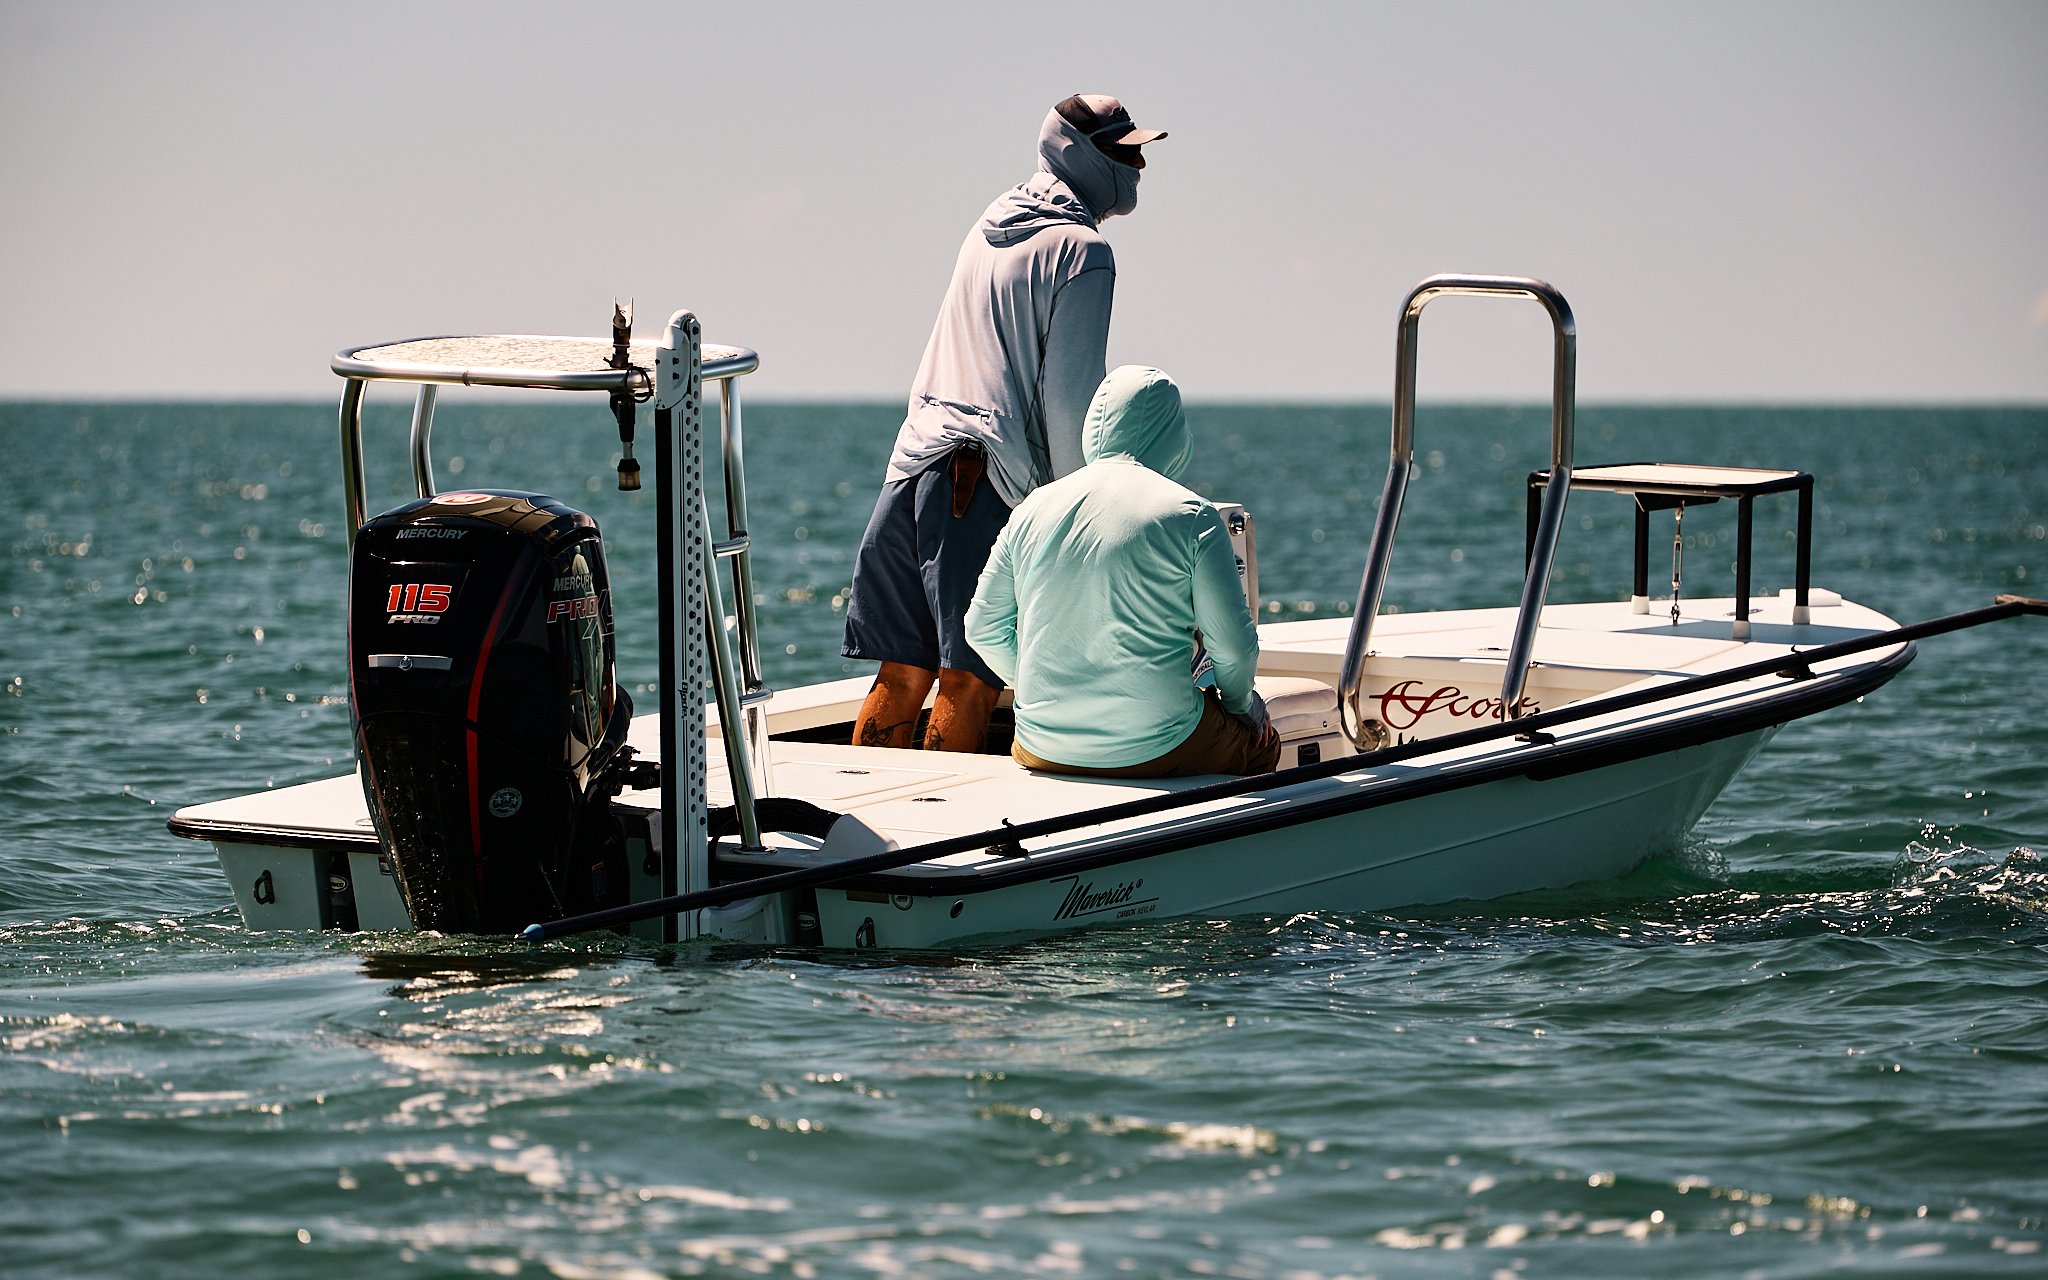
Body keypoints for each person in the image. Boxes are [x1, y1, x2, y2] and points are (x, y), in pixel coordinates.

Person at [842, 94, 1167, 752]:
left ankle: (864, 833)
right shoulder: (1083, 250)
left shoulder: (990, 222)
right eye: (1122, 150)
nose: (1137, 163)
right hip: (980, 478)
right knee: (972, 677)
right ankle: (937, 841)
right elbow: (1070, 397)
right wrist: (1085, 517)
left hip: (912, 465)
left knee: (902, 670)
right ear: (1078, 152)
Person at [965, 366, 1280, 777]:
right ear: (1174, 432)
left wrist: (1035, 692)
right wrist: (1243, 707)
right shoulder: (1191, 515)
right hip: (1160, 744)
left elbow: (981, 629)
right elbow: (1234, 647)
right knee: (1260, 746)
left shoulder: (1031, 509)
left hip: (1042, 745)